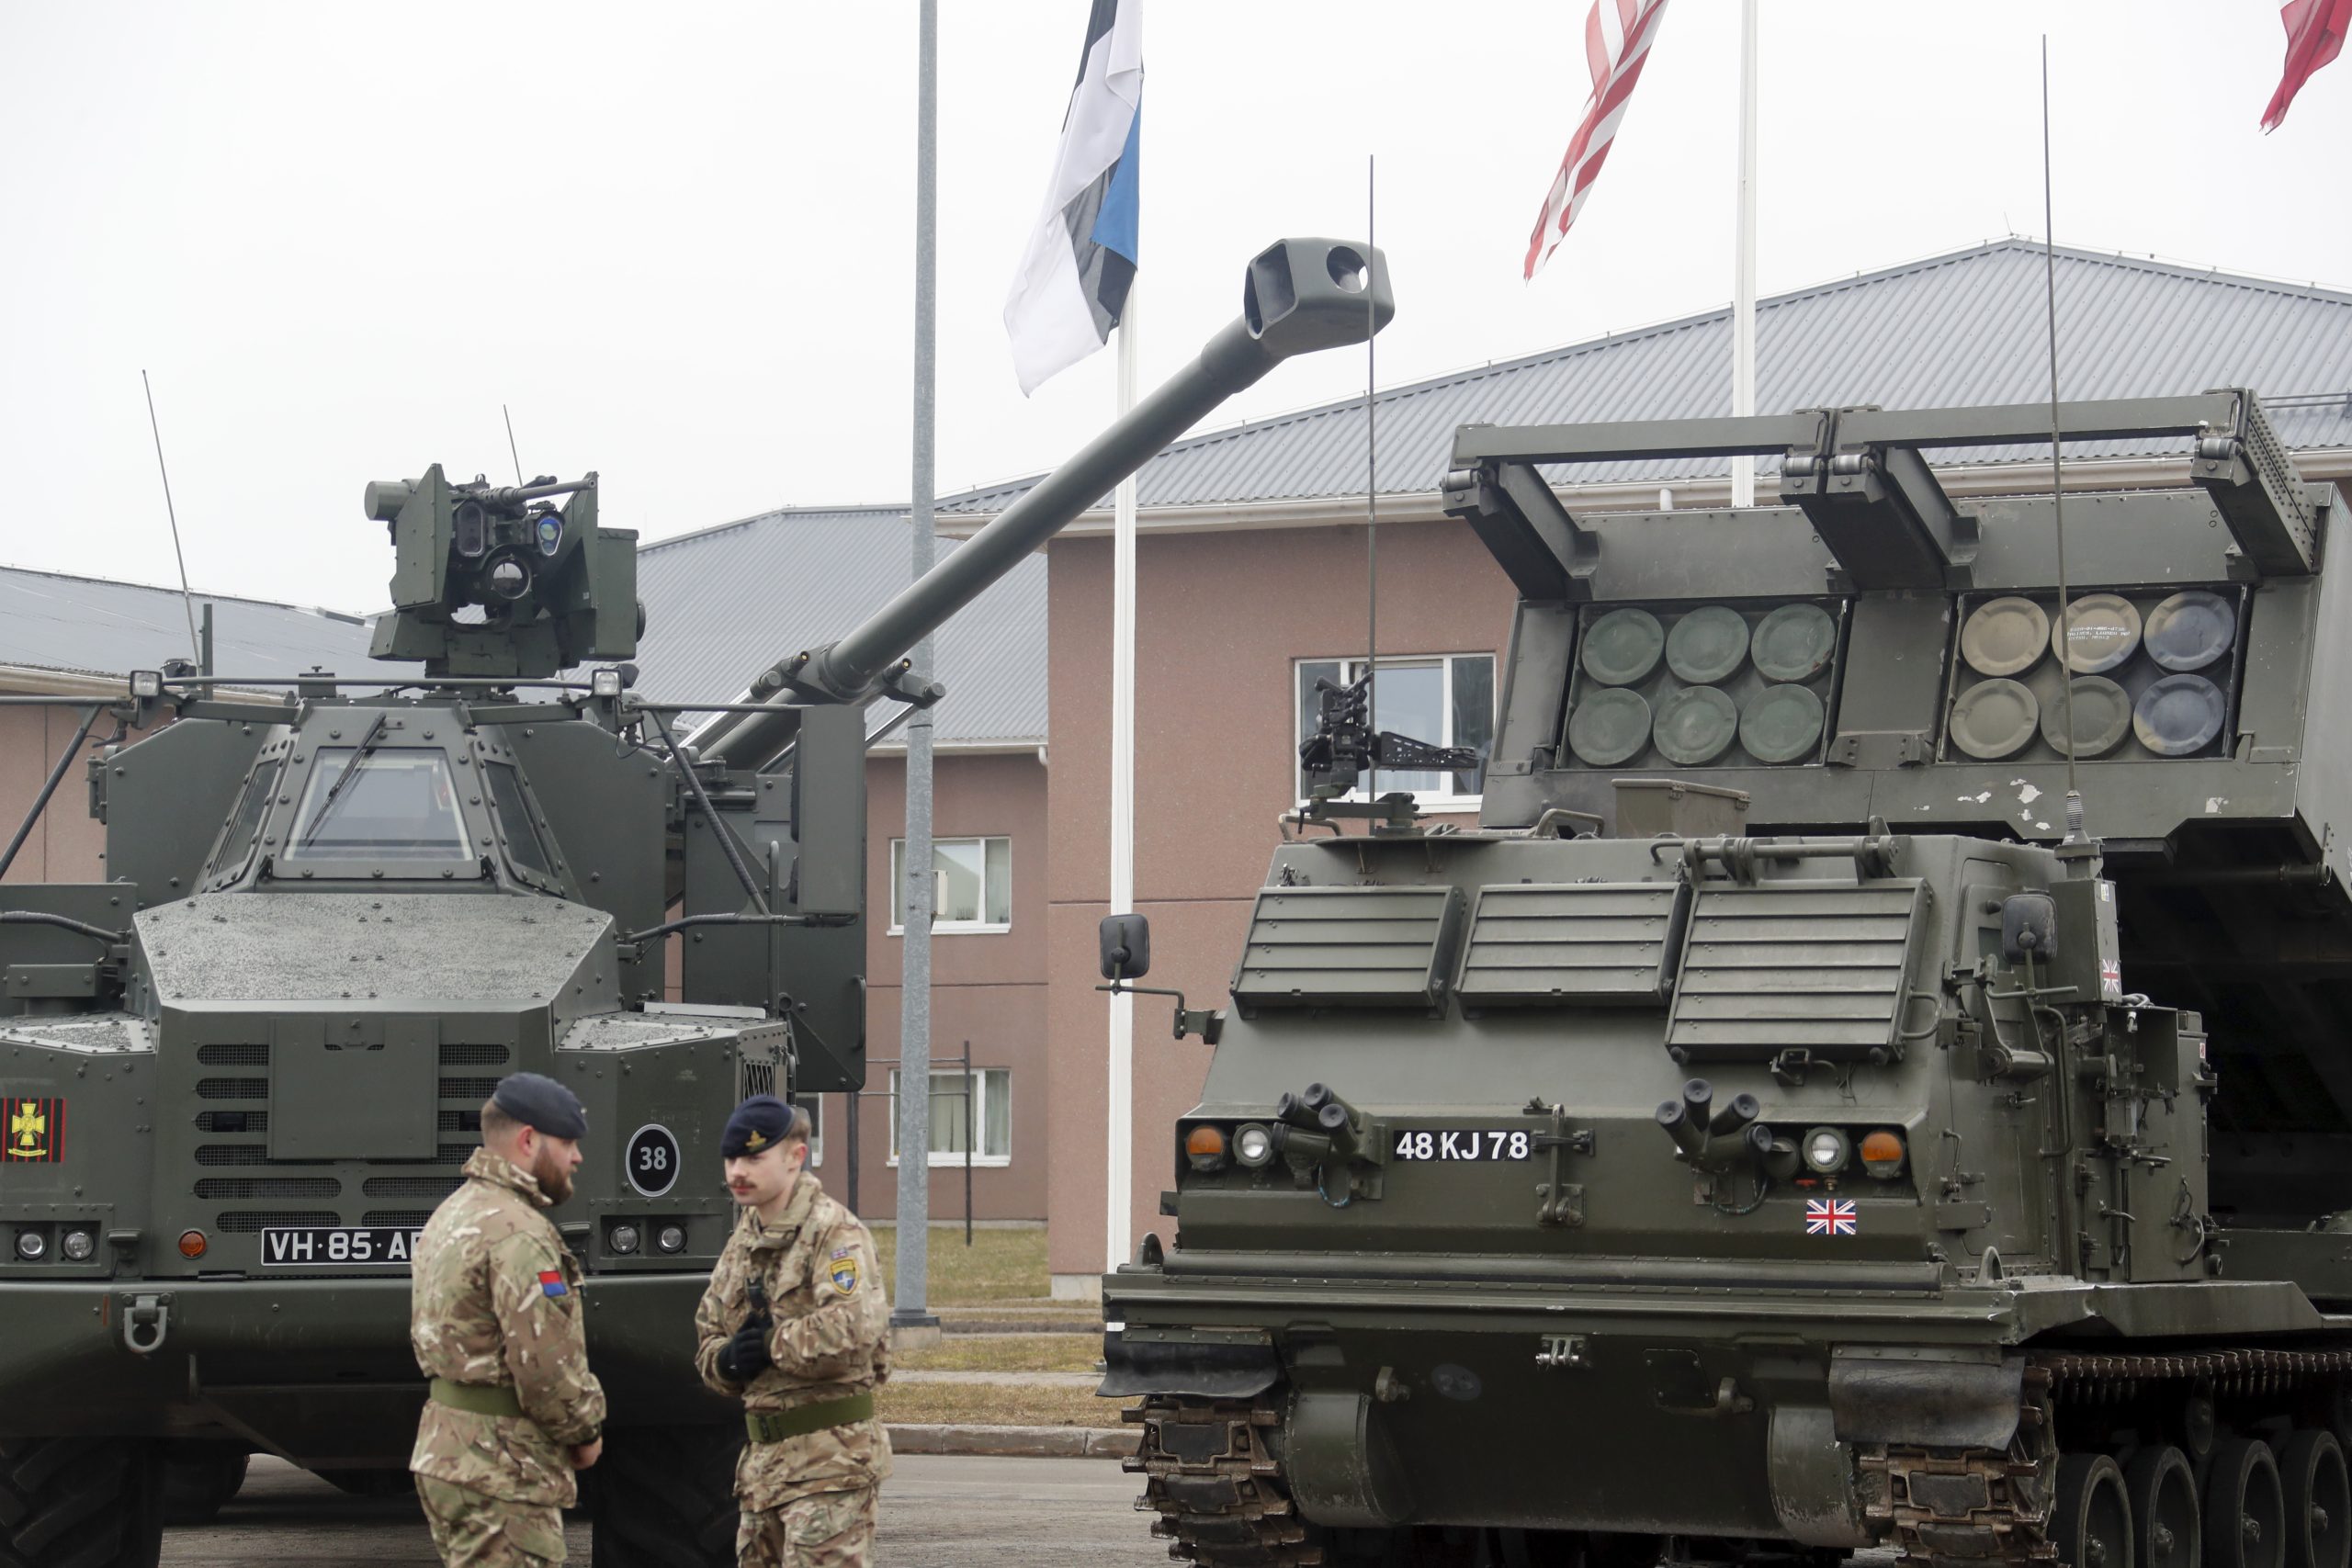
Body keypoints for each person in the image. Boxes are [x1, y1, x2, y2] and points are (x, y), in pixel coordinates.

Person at [410, 1071, 606, 1567]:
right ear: (528, 1141)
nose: (577, 1158)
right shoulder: (520, 1233)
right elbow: (545, 1365)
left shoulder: (451, 1215)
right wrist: (583, 1432)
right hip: (503, 1464)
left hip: (449, 1451)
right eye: (567, 1144)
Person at [695, 1095, 892, 1566]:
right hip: (762, 1472)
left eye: (753, 1158)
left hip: (830, 1463)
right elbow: (708, 1334)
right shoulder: (744, 1241)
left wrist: (770, 1346)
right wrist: (728, 1361)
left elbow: (853, 1331)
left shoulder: (833, 1233)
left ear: (795, 1157)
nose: (738, 1171)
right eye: (731, 1159)